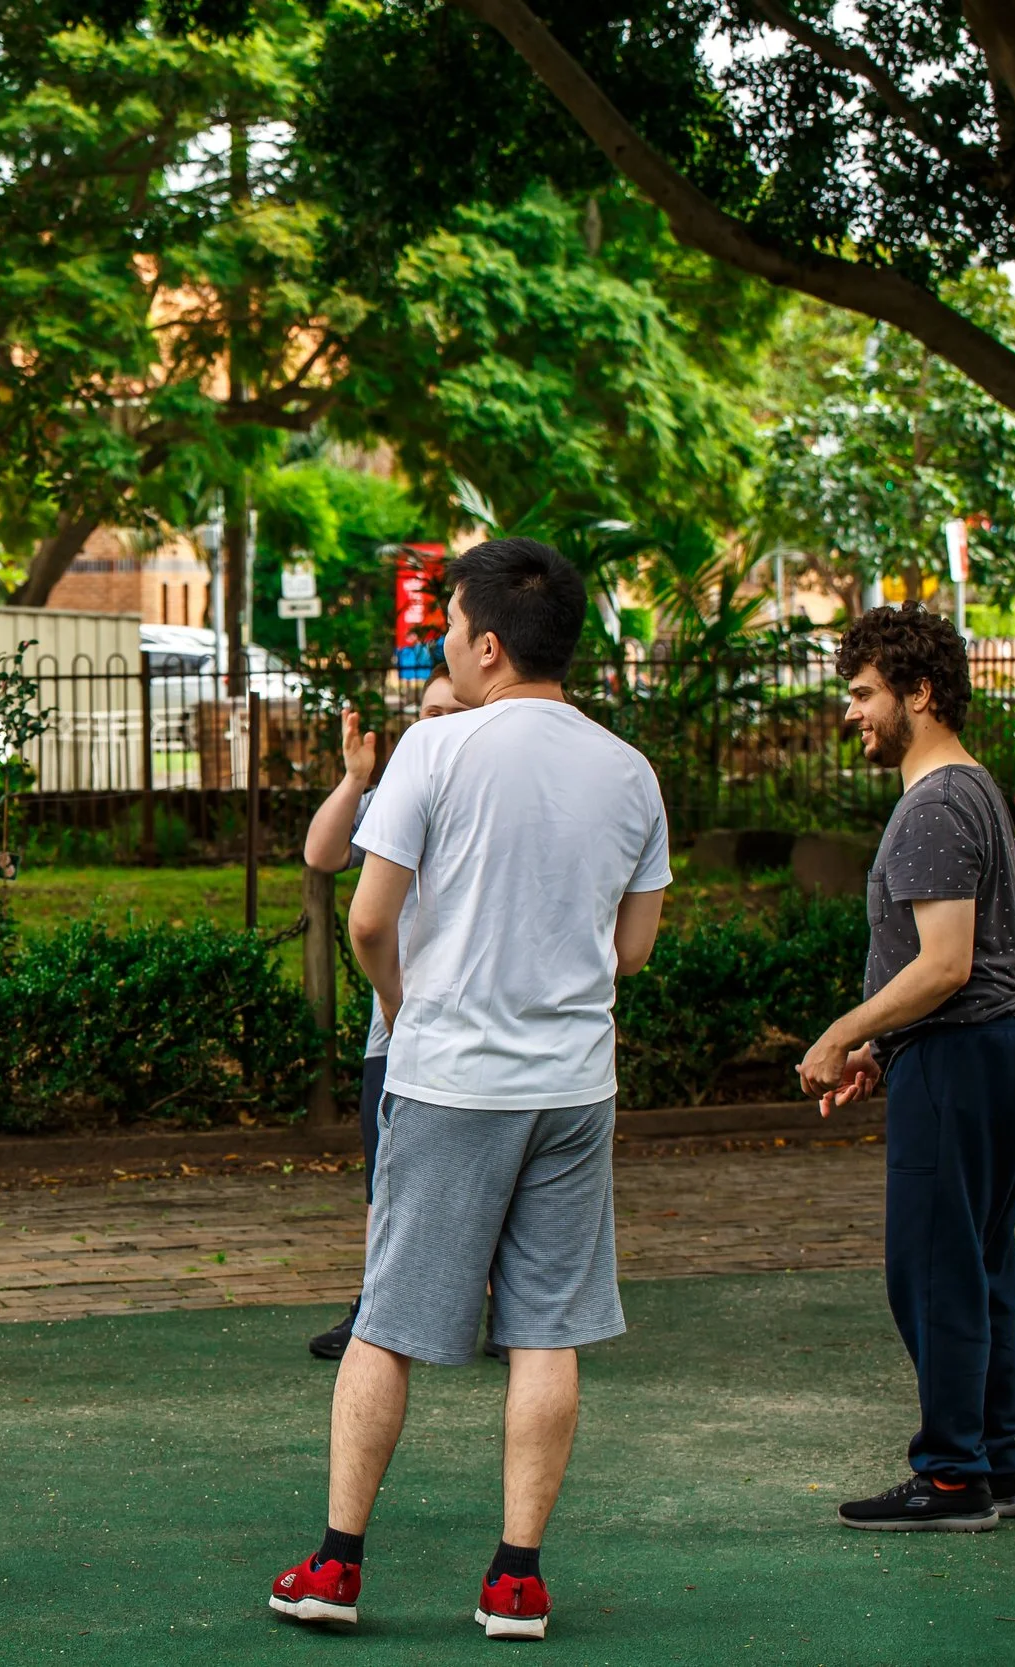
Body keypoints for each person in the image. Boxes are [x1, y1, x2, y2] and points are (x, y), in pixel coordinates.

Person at [267, 538, 669, 1641]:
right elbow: (632, 950)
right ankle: (516, 1578)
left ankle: (338, 1565)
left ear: (486, 644)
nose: (443, 641)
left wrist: (402, 1006)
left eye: (447, 625)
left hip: (449, 1079)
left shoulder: (433, 757)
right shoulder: (628, 770)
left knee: (386, 1324)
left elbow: (363, 916)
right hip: (574, 1084)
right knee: (548, 1329)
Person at [798, 606, 1015, 1533]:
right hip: (994, 1051)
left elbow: (945, 964)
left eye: (865, 693)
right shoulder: (973, 788)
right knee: (978, 1266)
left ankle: (952, 1477)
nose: (851, 711)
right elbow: (965, 961)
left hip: (966, 1055)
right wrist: (883, 1046)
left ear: (923, 692)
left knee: (934, 1270)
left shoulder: (934, 802)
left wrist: (841, 1031)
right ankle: (996, 1462)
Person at [300, 667, 467, 1361]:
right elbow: (323, 853)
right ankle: (376, 1303)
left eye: (449, 712)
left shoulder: (494, 792)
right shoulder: (401, 792)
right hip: (395, 1028)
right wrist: (354, 779)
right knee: (388, 1171)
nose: (432, 724)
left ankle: (501, 1309)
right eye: (424, 712)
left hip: (470, 1024)